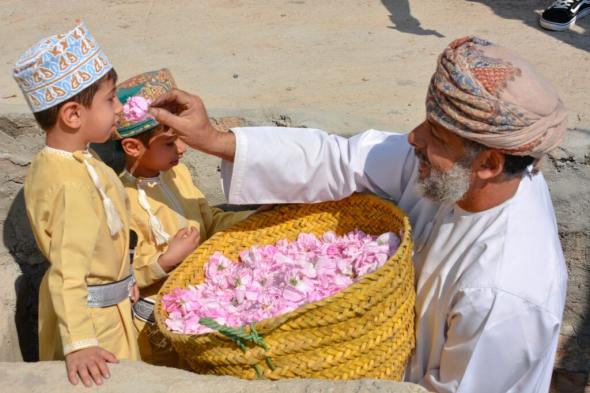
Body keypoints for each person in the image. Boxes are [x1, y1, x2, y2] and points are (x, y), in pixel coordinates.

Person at [148, 37, 568, 392]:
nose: (413, 138)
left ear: (490, 165)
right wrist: (215, 141)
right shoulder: (452, 170)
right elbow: (342, 159)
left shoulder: (506, 293)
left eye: (435, 135)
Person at [13, 23, 140, 387]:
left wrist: (123, 276)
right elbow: (69, 271)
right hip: (93, 324)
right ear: (72, 115)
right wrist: (81, 345)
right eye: (110, 99)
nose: (119, 107)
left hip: (106, 307)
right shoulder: (72, 184)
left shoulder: (69, 161)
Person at [114, 69, 253, 366]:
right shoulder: (119, 200)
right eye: (169, 143)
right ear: (133, 146)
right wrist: (165, 261)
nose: (183, 148)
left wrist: (253, 219)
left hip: (201, 307)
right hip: (154, 329)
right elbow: (118, 276)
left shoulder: (177, 174)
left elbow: (210, 220)